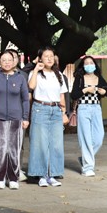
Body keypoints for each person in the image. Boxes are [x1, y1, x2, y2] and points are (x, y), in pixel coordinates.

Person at [27, 46, 70, 188]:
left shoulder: (59, 75)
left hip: (56, 110)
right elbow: (31, 86)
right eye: (46, 56)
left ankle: (53, 174)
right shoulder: (35, 74)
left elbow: (62, 96)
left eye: (51, 56)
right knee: (40, 143)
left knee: (56, 144)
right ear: (40, 59)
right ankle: (41, 175)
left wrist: (64, 113)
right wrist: (36, 69)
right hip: (40, 108)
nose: (49, 59)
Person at [0, 50, 30, 189]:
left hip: (16, 118)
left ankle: (13, 177)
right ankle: (0, 177)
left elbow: (25, 99)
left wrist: (25, 117)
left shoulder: (20, 78)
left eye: (9, 60)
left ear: (14, 62)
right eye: (3, 60)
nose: (7, 62)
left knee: (14, 149)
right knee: (0, 148)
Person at [71, 56, 107, 177]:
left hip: (96, 109)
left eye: (91, 63)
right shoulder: (80, 78)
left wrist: (104, 92)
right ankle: (87, 168)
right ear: (83, 66)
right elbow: (74, 95)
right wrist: (85, 90)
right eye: (86, 63)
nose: (89, 65)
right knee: (86, 138)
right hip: (83, 109)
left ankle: (85, 158)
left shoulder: (99, 78)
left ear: (95, 65)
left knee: (99, 138)